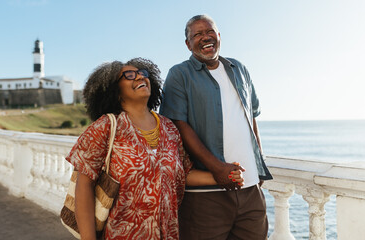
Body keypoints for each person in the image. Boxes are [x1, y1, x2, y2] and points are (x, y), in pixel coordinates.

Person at [65, 57, 242, 240]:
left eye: (142, 73)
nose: (140, 78)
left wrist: (224, 174)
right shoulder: (106, 127)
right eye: (129, 75)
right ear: (115, 90)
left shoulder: (169, 128)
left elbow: (183, 174)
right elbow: (84, 184)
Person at [159, 15, 273, 240]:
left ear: (219, 35)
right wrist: (217, 168)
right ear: (188, 44)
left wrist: (259, 163)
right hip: (205, 197)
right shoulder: (179, 74)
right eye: (197, 34)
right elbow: (178, 125)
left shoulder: (239, 68)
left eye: (209, 31)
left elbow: (251, 117)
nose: (205, 37)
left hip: (250, 190)